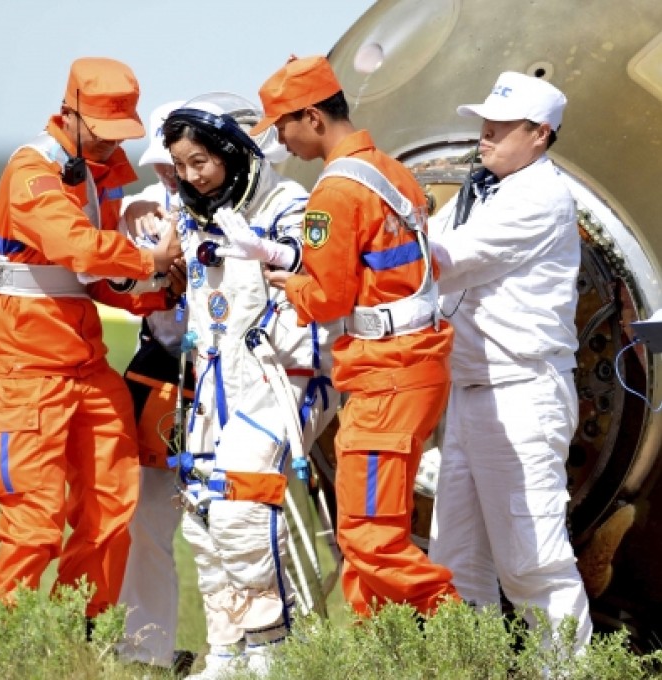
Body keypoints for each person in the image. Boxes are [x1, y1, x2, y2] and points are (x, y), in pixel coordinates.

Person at [0, 57, 183, 625]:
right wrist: (148, 259)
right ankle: (2, 647)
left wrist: (159, 293)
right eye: (104, 131)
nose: (115, 146)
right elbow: (79, 248)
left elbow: (97, 280)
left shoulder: (97, 172)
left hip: (83, 358)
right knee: (33, 521)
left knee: (112, 507)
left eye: (122, 134)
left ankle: (77, 636)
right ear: (72, 113)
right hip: (24, 363)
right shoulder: (32, 169)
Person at [248, 55, 460, 619]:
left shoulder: (335, 194)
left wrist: (286, 282)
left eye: (283, 127)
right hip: (415, 367)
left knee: (369, 536)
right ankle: (374, 653)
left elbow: (327, 300)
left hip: (384, 376)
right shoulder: (391, 171)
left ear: (312, 117)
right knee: (366, 529)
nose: (282, 142)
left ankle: (465, 635)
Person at [161, 92, 339, 678]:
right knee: (203, 515)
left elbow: (315, 259)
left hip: (284, 374)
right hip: (215, 378)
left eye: (199, 162)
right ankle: (227, 652)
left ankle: (271, 652)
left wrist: (271, 251)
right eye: (180, 166)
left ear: (234, 152)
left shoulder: (289, 202)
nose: (190, 176)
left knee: (239, 507)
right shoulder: (192, 212)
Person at [426, 71, 592, 649]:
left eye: (499, 127)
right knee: (457, 559)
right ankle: (470, 666)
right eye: (483, 125)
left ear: (540, 134)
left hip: (522, 392)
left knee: (532, 563)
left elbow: (445, 259)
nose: (485, 136)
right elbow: (428, 241)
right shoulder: (481, 191)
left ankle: (568, 670)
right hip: (473, 393)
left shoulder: (540, 195)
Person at [114, 99, 196, 674]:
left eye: (183, 166)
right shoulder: (139, 212)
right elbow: (114, 278)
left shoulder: (255, 209)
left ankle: (256, 653)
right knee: (144, 520)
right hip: (162, 374)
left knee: (239, 526)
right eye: (163, 168)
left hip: (238, 381)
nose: (171, 179)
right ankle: (147, 652)